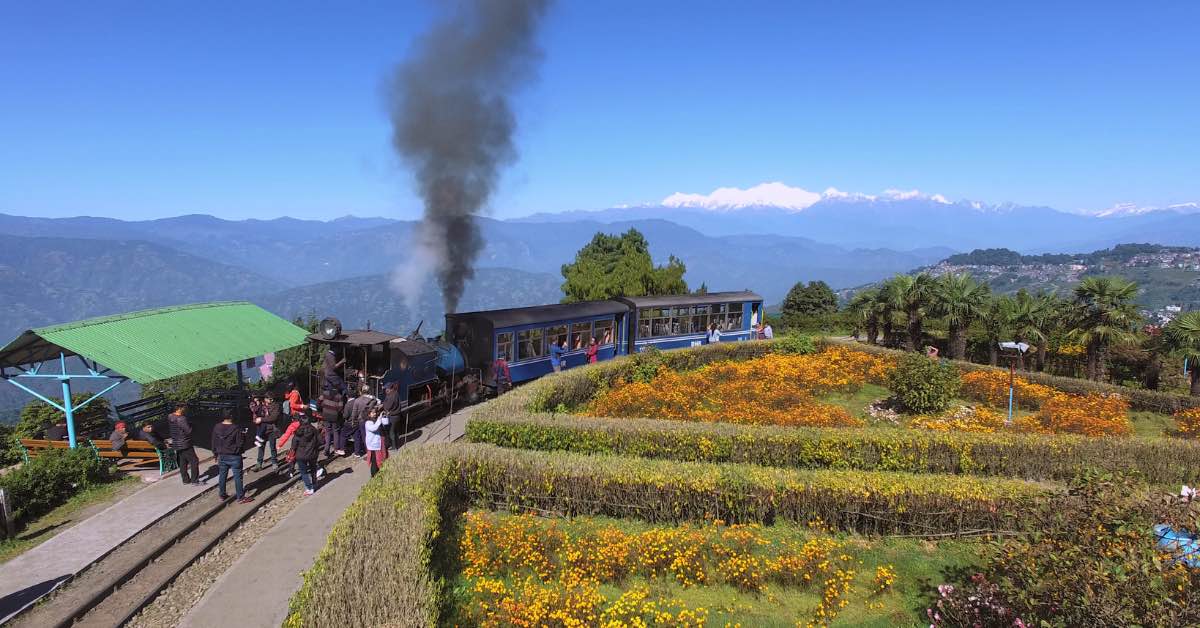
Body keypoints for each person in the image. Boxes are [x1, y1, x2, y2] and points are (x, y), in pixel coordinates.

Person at [213, 416, 253, 503]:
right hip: (234, 455)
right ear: (231, 417)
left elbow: (214, 441)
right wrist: (244, 436)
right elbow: (240, 443)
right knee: (238, 477)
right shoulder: (236, 428)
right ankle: (240, 497)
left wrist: (215, 454)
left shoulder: (217, 427)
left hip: (222, 455)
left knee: (222, 475)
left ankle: (222, 495)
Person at [168, 404, 201, 485]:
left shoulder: (170, 416)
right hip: (185, 443)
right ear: (179, 408)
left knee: (183, 462)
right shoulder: (181, 419)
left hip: (176, 443)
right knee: (194, 461)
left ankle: (185, 480)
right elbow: (188, 431)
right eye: (184, 408)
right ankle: (195, 480)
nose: (185, 409)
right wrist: (192, 426)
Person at [290, 414, 321, 495]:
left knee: (304, 472)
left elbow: (293, 445)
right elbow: (320, 441)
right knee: (313, 469)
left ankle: (309, 488)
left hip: (301, 455)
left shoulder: (298, 432)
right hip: (313, 454)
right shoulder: (314, 430)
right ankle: (314, 483)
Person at [342, 384, 374, 457]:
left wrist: (353, 421)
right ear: (368, 391)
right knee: (370, 436)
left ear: (361, 391)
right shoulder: (373, 399)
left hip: (361, 421)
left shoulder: (357, 400)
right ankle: (370, 451)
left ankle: (369, 453)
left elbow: (354, 412)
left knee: (363, 436)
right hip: (371, 420)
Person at [255, 394, 282, 472]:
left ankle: (274, 462)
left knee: (272, 447)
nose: (265, 400)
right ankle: (259, 463)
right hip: (262, 430)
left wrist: (262, 419)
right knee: (260, 446)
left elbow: (273, 418)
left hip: (271, 430)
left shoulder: (276, 406)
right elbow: (255, 412)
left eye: (267, 398)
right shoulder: (262, 405)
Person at [363, 404, 389, 477]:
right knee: (375, 461)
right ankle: (374, 475)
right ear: (368, 414)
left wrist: (384, 416)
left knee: (381, 458)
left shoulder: (377, 419)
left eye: (375, 412)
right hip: (373, 445)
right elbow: (374, 428)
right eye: (373, 413)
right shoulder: (368, 423)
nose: (374, 414)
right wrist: (379, 419)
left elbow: (386, 423)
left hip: (379, 443)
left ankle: (379, 472)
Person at [381, 381, 402, 449]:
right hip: (397, 416)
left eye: (386, 389)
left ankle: (394, 447)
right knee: (396, 431)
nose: (385, 390)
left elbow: (387, 407)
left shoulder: (391, 396)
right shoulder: (396, 393)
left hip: (392, 417)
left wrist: (383, 404)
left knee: (391, 432)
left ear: (389, 389)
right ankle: (397, 444)